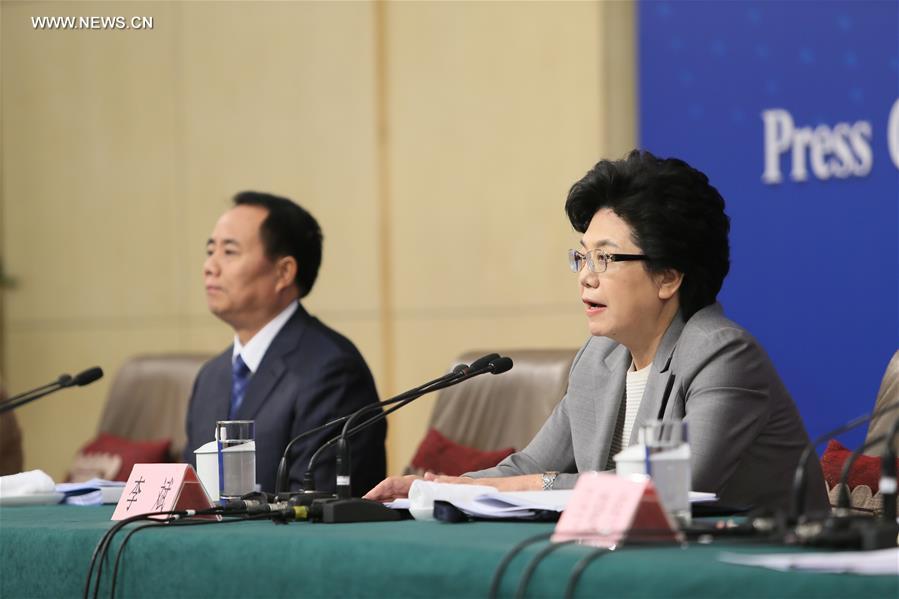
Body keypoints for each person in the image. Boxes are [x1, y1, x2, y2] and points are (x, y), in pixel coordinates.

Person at [365, 150, 829, 514]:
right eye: (582, 257)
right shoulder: (600, 358)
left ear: (669, 276)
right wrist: (439, 488)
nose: (585, 276)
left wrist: (534, 487)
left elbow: (671, 488)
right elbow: (530, 465)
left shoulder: (722, 353)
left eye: (605, 258)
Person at [184, 191, 385, 496]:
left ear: (283, 272)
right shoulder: (211, 377)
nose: (210, 266)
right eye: (210, 250)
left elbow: (318, 503)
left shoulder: (332, 371)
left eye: (229, 251)